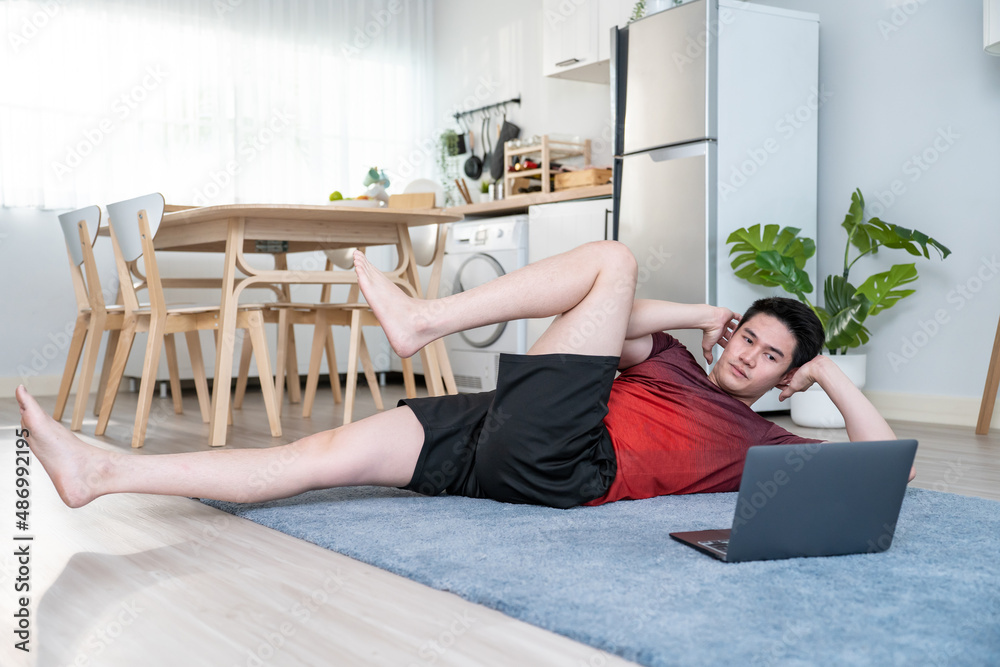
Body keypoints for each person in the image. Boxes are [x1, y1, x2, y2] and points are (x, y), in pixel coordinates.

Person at [16, 240, 909, 511]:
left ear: (784, 378)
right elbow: (604, 326)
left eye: (767, 357)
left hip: (573, 463)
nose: (744, 356)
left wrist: (827, 372)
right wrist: (696, 316)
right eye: (744, 338)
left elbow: (878, 463)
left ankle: (422, 320)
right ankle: (103, 473)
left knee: (615, 253)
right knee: (316, 452)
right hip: (496, 432)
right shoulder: (676, 356)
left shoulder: (766, 436)